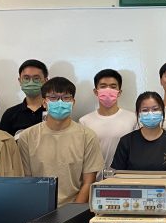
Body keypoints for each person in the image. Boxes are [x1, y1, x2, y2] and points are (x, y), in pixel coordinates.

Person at [18, 77, 104, 206]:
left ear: (73, 102)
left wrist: (71, 215)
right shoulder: (27, 136)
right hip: (37, 207)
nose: (60, 102)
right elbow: (26, 180)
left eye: (66, 98)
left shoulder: (88, 136)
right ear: (44, 102)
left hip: (73, 209)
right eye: (53, 98)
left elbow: (88, 183)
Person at [111, 91, 166, 171]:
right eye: (145, 110)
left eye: (155, 109)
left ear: (162, 111)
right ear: (138, 114)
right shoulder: (126, 141)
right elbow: (117, 175)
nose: (150, 113)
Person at [79, 68, 137, 169]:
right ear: (96, 92)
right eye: (103, 86)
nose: (108, 90)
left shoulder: (133, 118)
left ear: (119, 92)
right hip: (95, 180)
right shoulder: (84, 121)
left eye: (113, 87)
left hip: (124, 179)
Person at [0, 59, 49, 139]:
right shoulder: (10, 114)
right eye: (26, 78)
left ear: (46, 81)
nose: (31, 82)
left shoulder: (54, 111)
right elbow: (4, 146)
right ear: (20, 81)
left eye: (36, 78)